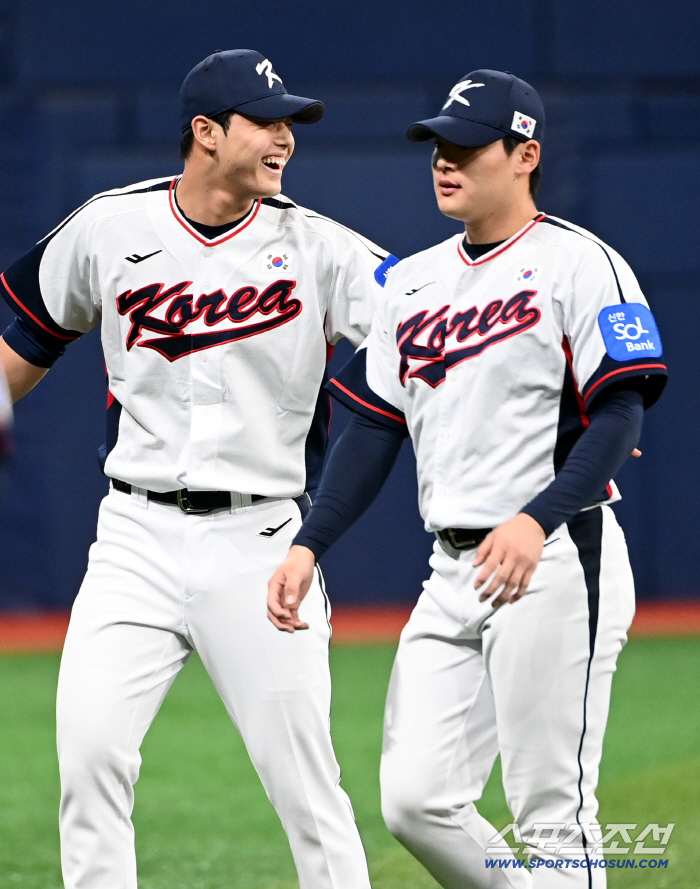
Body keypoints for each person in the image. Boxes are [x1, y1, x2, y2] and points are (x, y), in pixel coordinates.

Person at [0, 48, 398, 889]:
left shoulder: (321, 248)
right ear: (206, 133)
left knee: (306, 788)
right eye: (267, 121)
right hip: (134, 535)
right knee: (89, 757)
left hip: (262, 540)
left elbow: (436, 331)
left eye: (291, 123)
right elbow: (26, 340)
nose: (285, 137)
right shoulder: (110, 227)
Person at [268, 69, 667, 887]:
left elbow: (620, 413)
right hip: (451, 569)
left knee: (551, 813)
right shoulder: (412, 281)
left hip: (557, 557)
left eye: (468, 146)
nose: (446, 162)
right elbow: (373, 428)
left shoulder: (581, 263)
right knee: (416, 801)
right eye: (438, 146)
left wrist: (539, 517)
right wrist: (310, 543)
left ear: (526, 155)